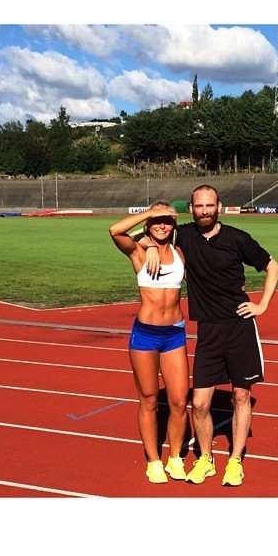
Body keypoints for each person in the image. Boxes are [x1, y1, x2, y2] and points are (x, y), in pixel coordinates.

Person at [141, 185, 278, 487]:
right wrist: (149, 245)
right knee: (201, 403)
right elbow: (147, 235)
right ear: (191, 209)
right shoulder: (184, 235)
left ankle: (235, 461)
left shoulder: (237, 238)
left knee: (241, 395)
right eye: (199, 206)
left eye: (209, 205)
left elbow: (273, 267)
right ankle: (206, 458)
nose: (204, 211)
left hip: (239, 326)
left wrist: (262, 305)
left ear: (219, 206)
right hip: (208, 330)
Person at [109, 202, 190, 484]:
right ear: (148, 223)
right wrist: (148, 220)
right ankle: (154, 461)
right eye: (157, 220)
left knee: (179, 401)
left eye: (167, 220)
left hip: (175, 335)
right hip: (145, 335)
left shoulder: (180, 253)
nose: (162, 225)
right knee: (150, 399)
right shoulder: (138, 252)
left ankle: (175, 458)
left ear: (173, 224)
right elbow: (115, 230)